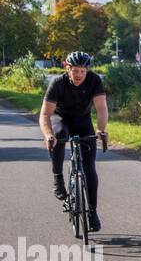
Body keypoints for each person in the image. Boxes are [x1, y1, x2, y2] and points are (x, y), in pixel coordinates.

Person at [39, 51, 109, 232]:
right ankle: (58, 179)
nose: (79, 75)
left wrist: (101, 130)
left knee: (89, 168)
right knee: (59, 136)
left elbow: (101, 109)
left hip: (83, 121)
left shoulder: (94, 81)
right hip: (60, 118)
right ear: (67, 68)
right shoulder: (58, 83)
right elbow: (45, 114)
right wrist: (48, 135)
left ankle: (92, 213)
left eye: (82, 71)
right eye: (75, 71)